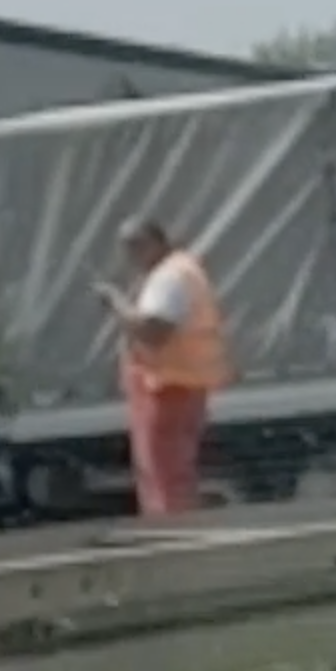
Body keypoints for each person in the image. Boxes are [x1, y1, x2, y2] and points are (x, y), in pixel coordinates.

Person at [95, 219, 230, 517]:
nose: (130, 257)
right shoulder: (185, 270)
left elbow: (153, 331)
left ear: (156, 242)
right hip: (182, 385)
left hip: (166, 388)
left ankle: (175, 539)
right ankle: (177, 530)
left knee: (163, 474)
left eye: (134, 247)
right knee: (171, 470)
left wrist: (115, 303)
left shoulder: (168, 278)